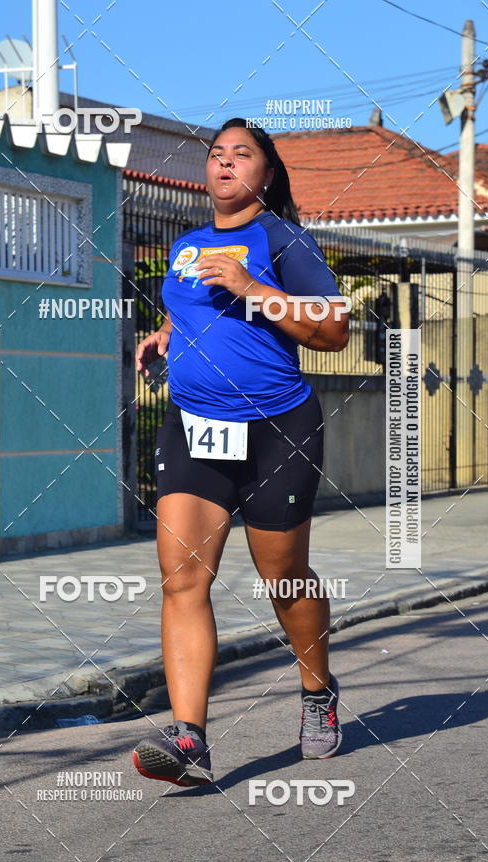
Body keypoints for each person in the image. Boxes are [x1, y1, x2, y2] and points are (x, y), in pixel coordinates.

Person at [132, 117, 349, 787]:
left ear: (267, 173)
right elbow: (195, 307)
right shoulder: (188, 245)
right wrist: (166, 333)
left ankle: (318, 691)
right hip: (195, 428)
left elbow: (335, 328)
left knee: (283, 578)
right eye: (216, 154)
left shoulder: (284, 241)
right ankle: (190, 739)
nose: (224, 164)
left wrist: (256, 288)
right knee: (181, 578)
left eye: (241, 155)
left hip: (276, 429)